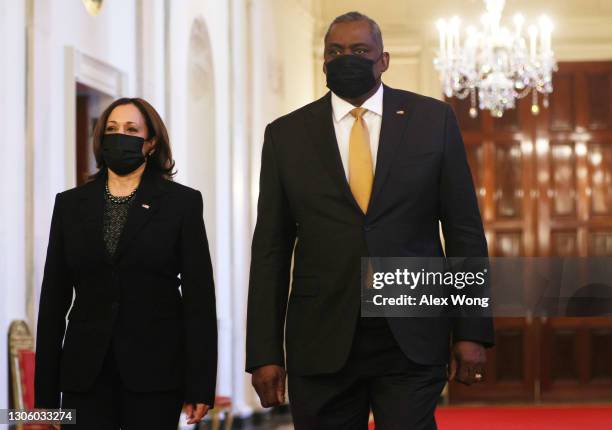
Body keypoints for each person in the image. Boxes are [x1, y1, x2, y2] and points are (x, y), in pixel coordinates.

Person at [246, 11, 494, 430]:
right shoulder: (286, 135)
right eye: (335, 51)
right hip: (321, 338)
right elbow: (270, 247)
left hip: (411, 332)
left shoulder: (433, 121)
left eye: (360, 50)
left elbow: (463, 230)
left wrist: (472, 331)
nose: (347, 58)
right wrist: (265, 352)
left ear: (384, 59)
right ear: (323, 62)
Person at [34, 98, 217, 429]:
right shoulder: (70, 205)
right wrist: (44, 402)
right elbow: (52, 303)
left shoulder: (182, 204)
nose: (120, 136)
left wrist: (200, 384)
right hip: (85, 375)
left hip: (155, 374)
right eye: (112, 130)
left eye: (131, 130)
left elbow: (199, 300)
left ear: (150, 142)